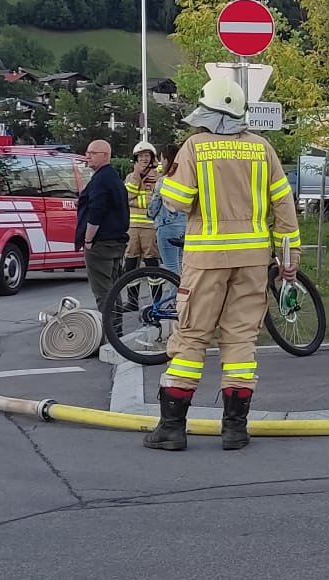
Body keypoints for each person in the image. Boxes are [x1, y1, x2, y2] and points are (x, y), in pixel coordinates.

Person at [142, 76, 301, 452]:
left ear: (207, 113)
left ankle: (172, 428)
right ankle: (234, 429)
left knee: (192, 337)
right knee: (241, 340)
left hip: (207, 260)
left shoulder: (195, 147)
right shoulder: (262, 148)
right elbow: (284, 204)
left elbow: (177, 201)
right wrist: (289, 258)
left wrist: (167, 176)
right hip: (253, 261)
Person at [75, 140, 130, 309]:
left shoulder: (100, 180)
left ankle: (108, 324)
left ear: (105, 156)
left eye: (93, 153)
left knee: (103, 290)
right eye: (87, 153)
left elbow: (96, 211)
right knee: (113, 288)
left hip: (101, 243)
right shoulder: (113, 177)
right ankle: (116, 324)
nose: (88, 156)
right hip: (116, 240)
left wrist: (88, 239)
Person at [148, 142, 186, 274]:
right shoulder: (186, 179)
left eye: (162, 159)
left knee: (171, 268)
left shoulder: (164, 180)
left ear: (167, 160)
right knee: (181, 266)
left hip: (167, 226)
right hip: (184, 227)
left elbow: (154, 206)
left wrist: (149, 215)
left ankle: (173, 288)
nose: (161, 163)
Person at [124, 140, 161, 272]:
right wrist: (136, 176)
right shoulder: (131, 177)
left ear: (152, 158)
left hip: (150, 226)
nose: (144, 159)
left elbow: (155, 201)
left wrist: (134, 201)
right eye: (140, 156)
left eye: (146, 155)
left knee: (151, 258)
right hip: (132, 227)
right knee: (130, 258)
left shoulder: (158, 177)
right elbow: (126, 196)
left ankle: (155, 286)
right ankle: (131, 286)